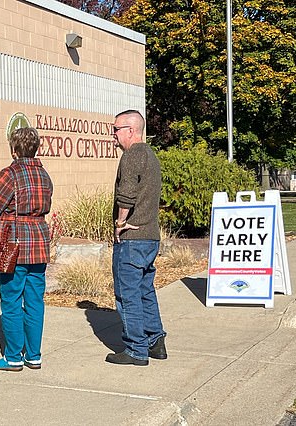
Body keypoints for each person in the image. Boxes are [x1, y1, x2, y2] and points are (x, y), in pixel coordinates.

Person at [0, 127, 53, 372]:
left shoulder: (9, 174)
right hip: (39, 243)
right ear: (36, 148)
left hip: (12, 242)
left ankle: (13, 357)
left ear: (14, 150)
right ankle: (33, 355)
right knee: (35, 301)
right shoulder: (44, 175)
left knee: (11, 300)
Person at [106, 109, 167, 366]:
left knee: (127, 293)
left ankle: (135, 349)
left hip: (132, 237)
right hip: (150, 236)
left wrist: (120, 223)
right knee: (144, 290)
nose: (113, 136)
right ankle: (155, 341)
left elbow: (126, 195)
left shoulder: (132, 155)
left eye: (116, 129)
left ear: (131, 130)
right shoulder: (151, 156)